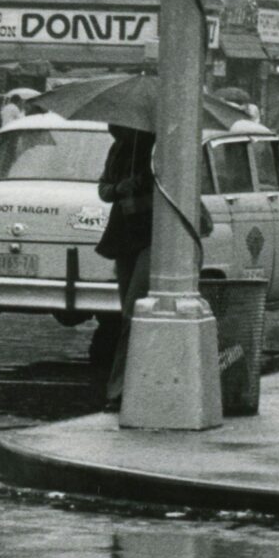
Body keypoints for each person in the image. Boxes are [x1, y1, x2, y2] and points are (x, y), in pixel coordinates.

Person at [94, 125, 157, 409]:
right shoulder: (118, 150)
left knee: (134, 310)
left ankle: (119, 387)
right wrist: (120, 188)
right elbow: (104, 189)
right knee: (126, 313)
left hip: (153, 234)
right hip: (124, 233)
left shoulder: (159, 149)